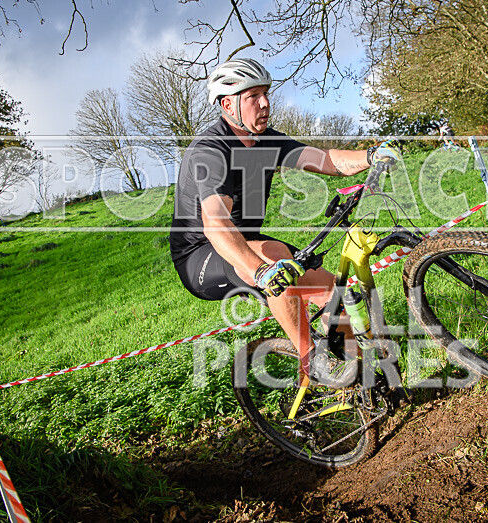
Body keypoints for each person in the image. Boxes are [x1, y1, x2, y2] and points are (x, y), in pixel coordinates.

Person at [170, 58, 399, 386]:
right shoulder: (211, 151)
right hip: (201, 255)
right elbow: (216, 225)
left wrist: (370, 156)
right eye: (253, 97)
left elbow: (324, 159)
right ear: (227, 104)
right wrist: (260, 271)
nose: (264, 104)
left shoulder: (266, 141)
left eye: (266, 94)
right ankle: (312, 360)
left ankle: (367, 382)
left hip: (250, 243)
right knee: (274, 257)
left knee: (336, 297)